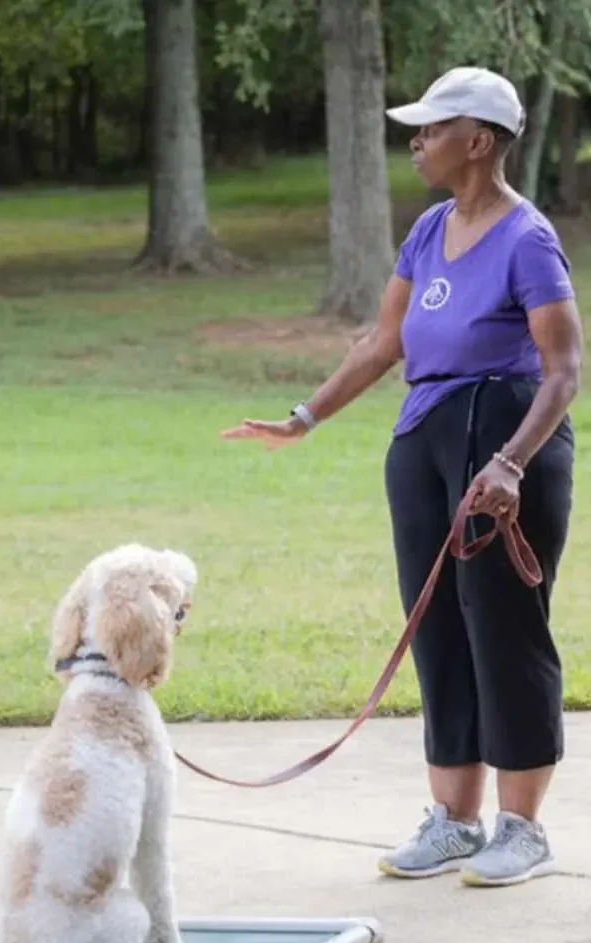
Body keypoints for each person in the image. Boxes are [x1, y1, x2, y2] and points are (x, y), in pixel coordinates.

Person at [222, 67, 582, 888]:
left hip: (504, 437)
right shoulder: (426, 230)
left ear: (479, 141)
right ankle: (453, 822)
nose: (416, 141)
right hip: (422, 439)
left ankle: (520, 827)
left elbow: (563, 371)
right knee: (436, 630)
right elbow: (382, 344)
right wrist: (303, 417)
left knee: (503, 626)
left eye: (431, 128)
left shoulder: (528, 239)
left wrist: (510, 461)